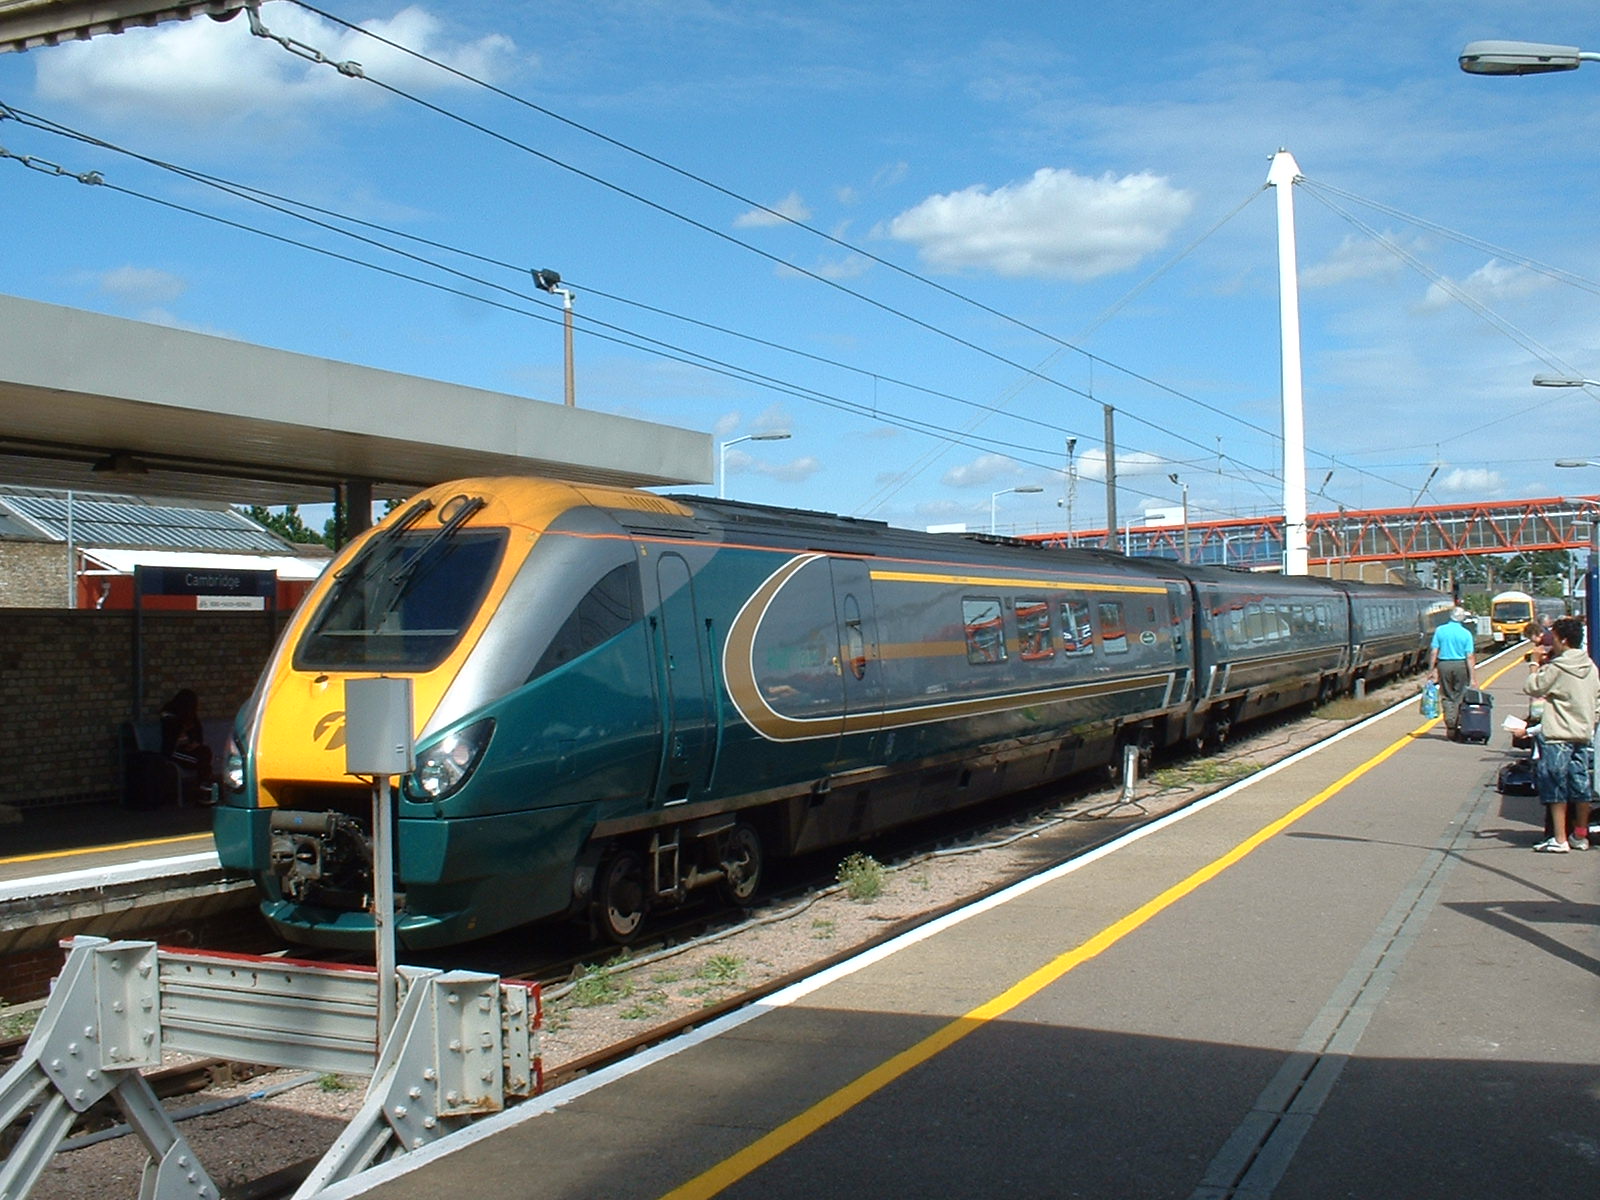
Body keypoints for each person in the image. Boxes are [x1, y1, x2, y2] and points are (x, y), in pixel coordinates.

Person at [1523, 616, 1598, 852]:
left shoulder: (1558, 668)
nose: (1550, 642)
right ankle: (1580, 836)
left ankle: (1559, 838)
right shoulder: (1590, 667)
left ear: (1563, 640)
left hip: (1558, 736)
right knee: (1580, 787)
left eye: (1553, 638)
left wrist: (1534, 663)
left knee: (1555, 786)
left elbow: (1532, 687)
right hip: (1583, 734)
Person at [1427, 606, 1477, 739]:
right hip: (1461, 665)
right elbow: (1470, 656)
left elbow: (1434, 652)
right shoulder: (1466, 634)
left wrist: (1432, 670)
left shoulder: (1440, 631)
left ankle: (1450, 725)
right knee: (1460, 695)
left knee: (1447, 695)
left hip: (1444, 665)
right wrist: (1472, 677)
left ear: (1450, 616)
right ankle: (1459, 723)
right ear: (1462, 619)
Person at [159, 688, 214, 805]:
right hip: (174, 751)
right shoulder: (170, 715)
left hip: (188, 750)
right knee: (203, 764)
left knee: (205, 753)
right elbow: (171, 737)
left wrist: (195, 744)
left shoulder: (192, 716)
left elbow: (198, 734)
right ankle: (203, 794)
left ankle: (204, 792)